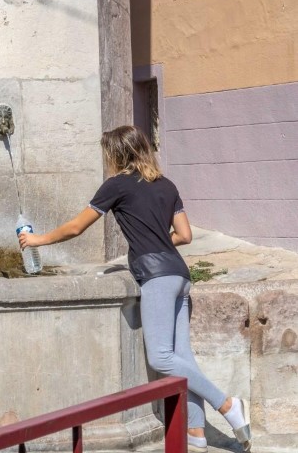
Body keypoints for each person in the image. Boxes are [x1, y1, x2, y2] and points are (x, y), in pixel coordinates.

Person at [18, 125, 252, 453]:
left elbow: (76, 227)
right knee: (182, 358)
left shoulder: (116, 185)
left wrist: (36, 240)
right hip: (180, 276)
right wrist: (157, 242)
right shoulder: (167, 185)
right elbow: (184, 235)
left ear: (117, 154)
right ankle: (196, 433)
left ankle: (227, 405)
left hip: (156, 277)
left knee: (161, 357)